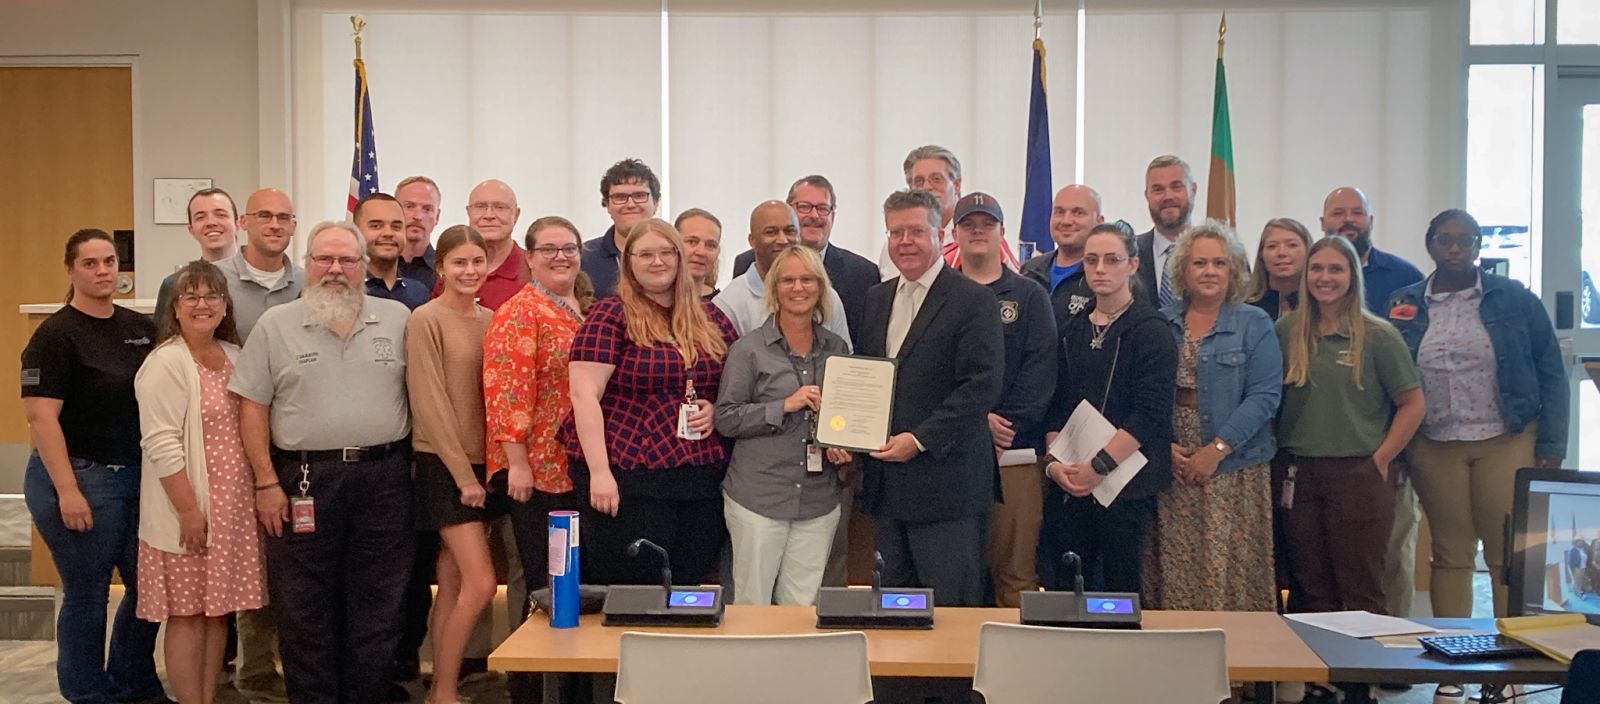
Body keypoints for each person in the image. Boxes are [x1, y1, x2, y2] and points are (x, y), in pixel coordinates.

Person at [231, 221, 414, 703]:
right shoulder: (277, 324)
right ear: (306, 265)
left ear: (363, 265)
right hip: (302, 481)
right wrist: (265, 483)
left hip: (385, 479)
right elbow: (252, 407)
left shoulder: (398, 319)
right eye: (323, 260)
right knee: (303, 605)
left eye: (347, 260)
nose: (335, 270)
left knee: (379, 602)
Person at [1387, 209, 1567, 616]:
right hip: (1433, 443)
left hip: (1505, 438)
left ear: (1478, 247)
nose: (1455, 248)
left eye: (1465, 240)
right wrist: (1395, 449)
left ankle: (1512, 660)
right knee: (1450, 554)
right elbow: (1389, 381)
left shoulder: (1515, 298)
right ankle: (1452, 665)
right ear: (1429, 245)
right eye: (1445, 239)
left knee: (1506, 552)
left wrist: (1553, 443)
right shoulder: (1403, 303)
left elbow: (1551, 372)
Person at [1275, 234, 1423, 704]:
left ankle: (1360, 686)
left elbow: (1412, 403)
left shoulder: (1378, 335)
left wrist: (1381, 458)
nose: (1325, 278)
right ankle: (1319, 682)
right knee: (1308, 585)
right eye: (1317, 269)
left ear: (1352, 277)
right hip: (1298, 473)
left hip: (1359, 474)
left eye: (1335, 269)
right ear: (1305, 275)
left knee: (1359, 586)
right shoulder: (1286, 331)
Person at [21, 229, 164, 704]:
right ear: (71, 270)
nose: (103, 271)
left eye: (109, 262)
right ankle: (86, 692)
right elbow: (41, 418)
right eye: (91, 263)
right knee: (89, 592)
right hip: (79, 476)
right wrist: (68, 490)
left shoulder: (137, 326)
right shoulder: (55, 335)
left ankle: (131, 681)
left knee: (150, 587)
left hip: (134, 475)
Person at [560, 218, 739, 587]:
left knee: (690, 582)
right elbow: (583, 394)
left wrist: (714, 408)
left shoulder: (711, 317)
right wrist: (600, 473)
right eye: (645, 255)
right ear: (629, 263)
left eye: (665, 253)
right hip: (626, 473)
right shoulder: (609, 316)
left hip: (697, 474)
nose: (657, 262)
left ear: (679, 258)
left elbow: (736, 385)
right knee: (633, 585)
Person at [858, 189, 1003, 606]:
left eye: (917, 231)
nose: (905, 241)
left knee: (949, 608)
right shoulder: (876, 299)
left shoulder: (973, 300)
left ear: (940, 234)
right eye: (896, 232)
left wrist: (919, 440)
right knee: (890, 607)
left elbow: (981, 385)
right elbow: (868, 378)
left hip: (947, 484)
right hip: (888, 485)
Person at [135, 260, 266, 704]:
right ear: (173, 307)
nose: (202, 304)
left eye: (211, 296)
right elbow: (161, 444)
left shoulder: (234, 356)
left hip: (231, 509)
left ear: (225, 305)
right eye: (190, 296)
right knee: (187, 615)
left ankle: (207, 698)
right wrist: (189, 511)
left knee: (217, 614)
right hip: (186, 511)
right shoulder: (165, 362)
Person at [1142, 221, 1281, 612]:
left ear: (1233, 270)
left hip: (1233, 466)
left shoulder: (1254, 323)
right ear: (1183, 269)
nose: (1209, 271)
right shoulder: (1161, 321)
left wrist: (1216, 450)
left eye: (1219, 263)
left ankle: (1236, 663)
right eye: (1199, 262)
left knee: (1226, 568)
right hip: (1172, 463)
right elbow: (1144, 391)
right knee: (1175, 567)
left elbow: (1265, 396)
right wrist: (1161, 447)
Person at [1039, 221, 1176, 597]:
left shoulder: (1152, 329)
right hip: (1071, 481)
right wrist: (1056, 466)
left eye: (1111, 260)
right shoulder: (1071, 328)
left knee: (1119, 589)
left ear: (1132, 265)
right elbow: (1057, 404)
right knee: (1065, 585)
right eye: (1092, 260)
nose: (1100, 269)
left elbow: (1151, 413)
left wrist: (1099, 467)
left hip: (1124, 483)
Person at [715, 245, 853, 605]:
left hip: (818, 499)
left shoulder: (837, 349)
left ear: (821, 288)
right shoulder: (749, 349)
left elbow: (847, 417)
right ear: (774, 289)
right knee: (752, 604)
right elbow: (726, 418)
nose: (798, 288)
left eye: (807, 279)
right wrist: (784, 405)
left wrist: (843, 443)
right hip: (758, 497)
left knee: (802, 608)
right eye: (788, 280)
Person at [1319, 186, 1426, 625]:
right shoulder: (1293, 325)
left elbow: (1413, 390)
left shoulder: (1402, 284)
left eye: (1356, 212)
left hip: (1374, 458)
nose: (1348, 219)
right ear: (1323, 221)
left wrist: (1386, 456)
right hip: (1307, 467)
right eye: (1338, 212)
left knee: (1381, 565)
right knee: (1319, 578)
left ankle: (1385, 664)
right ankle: (1321, 684)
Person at [948, 192, 1056, 607]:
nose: (978, 230)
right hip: (955, 452)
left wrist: (1001, 424)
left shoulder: (1029, 296)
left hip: (1014, 452)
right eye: (968, 224)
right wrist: (975, 422)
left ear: (1002, 232)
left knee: (1015, 572)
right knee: (960, 571)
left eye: (987, 223)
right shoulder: (941, 294)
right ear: (954, 233)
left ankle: (1017, 669)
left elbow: (1040, 371)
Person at [406, 225, 496, 704]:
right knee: (481, 583)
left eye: (477, 262)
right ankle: (442, 690)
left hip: (485, 463)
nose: (469, 271)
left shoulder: (492, 318)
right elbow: (430, 402)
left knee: (457, 580)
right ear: (440, 267)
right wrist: (463, 476)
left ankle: (444, 685)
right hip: (445, 465)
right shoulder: (426, 318)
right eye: (459, 262)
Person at [486, 216, 593, 606]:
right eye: (548, 249)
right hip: (539, 470)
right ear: (529, 257)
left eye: (569, 248)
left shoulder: (587, 308)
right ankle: (535, 668)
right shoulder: (520, 312)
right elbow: (506, 392)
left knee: (580, 577)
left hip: (582, 465)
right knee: (545, 581)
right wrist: (517, 463)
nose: (560, 257)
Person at [730, 175, 880, 343]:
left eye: (823, 208)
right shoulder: (748, 263)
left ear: (833, 216)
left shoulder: (863, 273)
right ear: (788, 212)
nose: (814, 215)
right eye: (804, 207)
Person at [713, 201, 850, 344]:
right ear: (752, 241)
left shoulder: (825, 296)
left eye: (790, 231)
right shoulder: (728, 304)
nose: (783, 240)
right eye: (771, 232)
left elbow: (843, 359)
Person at [219, 188, 304, 342]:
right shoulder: (215, 279)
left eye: (283, 217)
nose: (275, 225)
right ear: (243, 222)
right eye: (264, 216)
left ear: (293, 226)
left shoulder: (308, 283)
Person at [1021, 184, 1105, 330]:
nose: (1066, 221)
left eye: (1078, 213)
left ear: (1099, 222)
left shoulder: (1105, 275)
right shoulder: (1030, 270)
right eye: (1059, 212)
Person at [154, 188, 241, 318]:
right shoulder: (174, 284)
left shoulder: (257, 279)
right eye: (200, 217)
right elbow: (164, 336)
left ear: (237, 224)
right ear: (191, 229)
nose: (211, 223)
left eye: (221, 215)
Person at [444, 179, 530, 310]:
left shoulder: (533, 270)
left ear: (516, 215)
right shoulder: (447, 270)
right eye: (480, 206)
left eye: (500, 207)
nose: (489, 215)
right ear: (468, 212)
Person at [582, 158, 662, 298]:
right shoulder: (584, 258)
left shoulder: (675, 255)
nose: (630, 204)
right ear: (607, 205)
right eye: (620, 197)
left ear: (655, 203)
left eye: (639, 196)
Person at [1136, 155, 1197, 308]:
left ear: (1193, 190)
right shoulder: (1127, 253)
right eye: (1158, 189)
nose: (1168, 196)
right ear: (1147, 196)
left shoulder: (1220, 253)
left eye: (1176, 187)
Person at [357, 192, 430, 310]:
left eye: (396, 226)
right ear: (356, 232)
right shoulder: (345, 292)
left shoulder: (419, 293)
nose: (388, 233)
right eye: (376, 226)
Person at [1246, 218, 1312, 321]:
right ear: (1261, 255)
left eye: (1292, 245)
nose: (1282, 253)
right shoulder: (1246, 309)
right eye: (1272, 246)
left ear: (1308, 251)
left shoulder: (1319, 305)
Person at [396, 175, 443, 291]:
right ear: (394, 211)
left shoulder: (447, 271)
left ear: (437, 217)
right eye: (409, 206)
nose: (417, 216)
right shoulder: (372, 266)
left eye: (427, 209)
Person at [676, 208, 723, 298]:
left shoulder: (723, 307)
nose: (701, 252)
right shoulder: (651, 304)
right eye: (692, 242)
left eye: (710, 245)